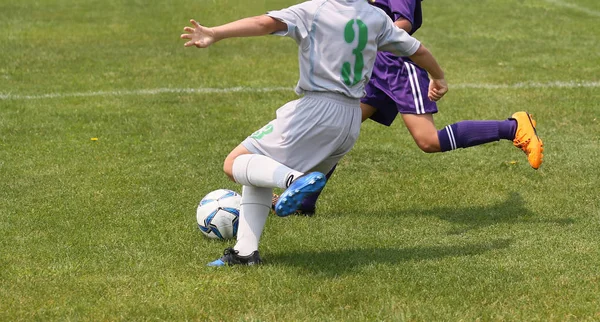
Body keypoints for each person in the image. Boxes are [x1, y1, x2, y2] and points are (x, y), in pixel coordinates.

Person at [181, 0, 448, 266]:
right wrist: (438, 77)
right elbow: (418, 50)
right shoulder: (376, 16)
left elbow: (264, 23)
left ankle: (293, 180)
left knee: (235, 162)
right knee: (258, 168)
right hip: (351, 118)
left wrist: (215, 32)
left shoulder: (316, 9)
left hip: (317, 111)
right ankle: (245, 253)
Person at [276, 0, 544, 217]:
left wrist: (363, 37)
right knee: (336, 130)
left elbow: (403, 23)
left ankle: (514, 127)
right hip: (376, 67)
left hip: (398, 67)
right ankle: (305, 201)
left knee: (428, 140)